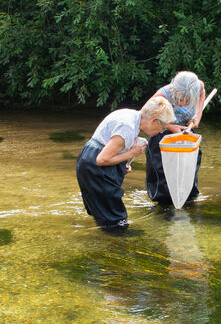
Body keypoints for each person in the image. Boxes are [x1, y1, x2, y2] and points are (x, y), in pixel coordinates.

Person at [76, 97, 176, 233]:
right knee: (116, 221)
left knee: (103, 213)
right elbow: (101, 160)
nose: (161, 132)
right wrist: (131, 153)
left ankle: (102, 239)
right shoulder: (127, 127)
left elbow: (110, 147)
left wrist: (121, 163)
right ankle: (116, 246)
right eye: (163, 127)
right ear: (154, 121)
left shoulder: (131, 115)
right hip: (95, 165)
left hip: (89, 158)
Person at [146, 71, 206, 205]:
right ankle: (163, 201)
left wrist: (197, 115)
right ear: (174, 90)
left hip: (186, 129)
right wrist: (170, 126)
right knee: (161, 168)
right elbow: (146, 117)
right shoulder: (162, 95)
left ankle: (189, 196)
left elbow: (202, 94)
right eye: (180, 100)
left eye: (187, 101)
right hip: (161, 132)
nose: (183, 104)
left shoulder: (198, 86)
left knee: (189, 164)